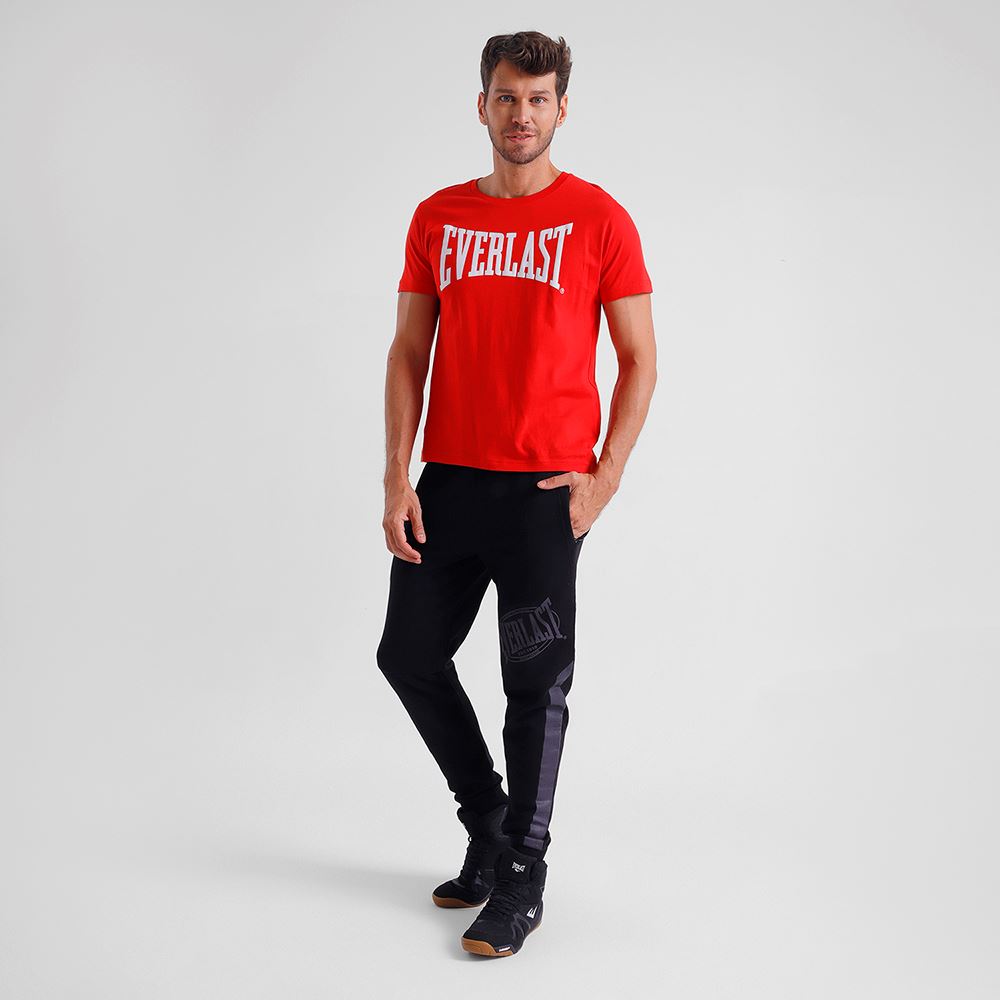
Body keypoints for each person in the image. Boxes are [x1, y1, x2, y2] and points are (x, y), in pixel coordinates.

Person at [376, 30, 657, 958]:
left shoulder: (600, 219)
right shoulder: (439, 216)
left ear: (562, 108)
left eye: (538, 99)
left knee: (534, 684)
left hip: (544, 493)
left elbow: (640, 359)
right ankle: (489, 824)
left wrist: (603, 480)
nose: (522, 114)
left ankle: (523, 876)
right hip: (450, 483)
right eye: (506, 97)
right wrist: (396, 474)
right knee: (408, 656)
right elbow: (409, 351)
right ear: (483, 105)